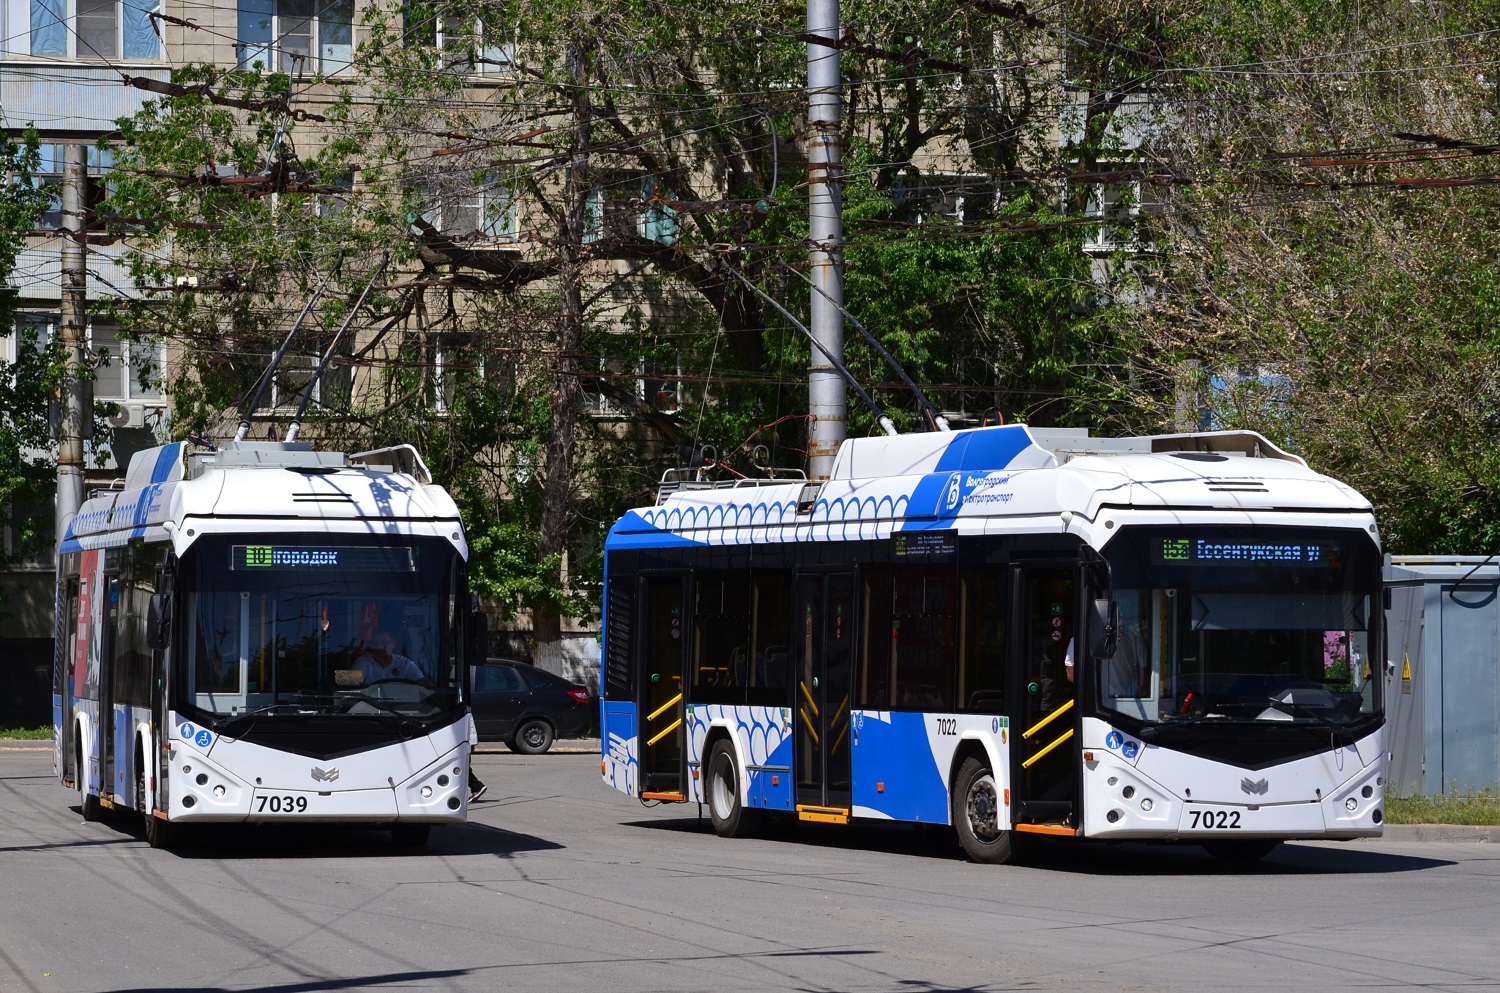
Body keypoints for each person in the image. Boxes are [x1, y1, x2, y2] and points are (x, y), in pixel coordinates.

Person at [350, 630, 428, 685]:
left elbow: (423, 684)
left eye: (383, 642)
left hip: (400, 707)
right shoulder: (363, 662)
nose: (378, 647)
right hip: (370, 706)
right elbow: (350, 681)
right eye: (375, 643)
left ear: (392, 644)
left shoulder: (404, 664)